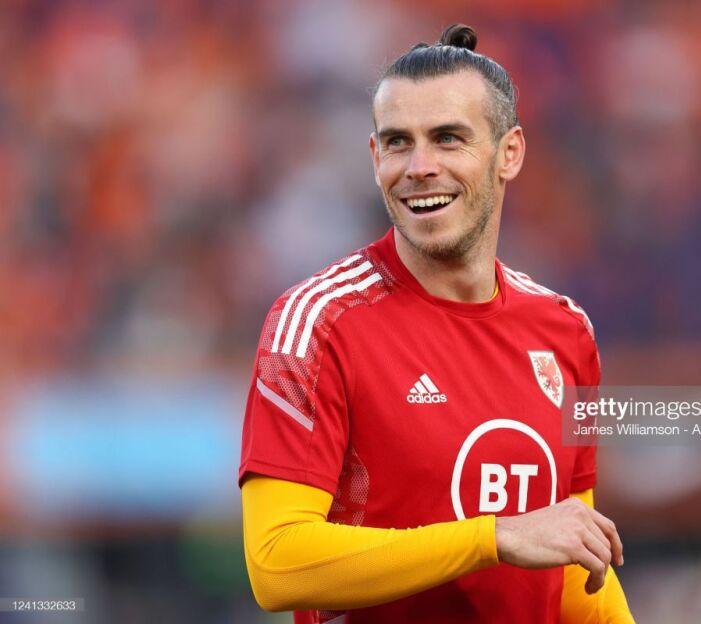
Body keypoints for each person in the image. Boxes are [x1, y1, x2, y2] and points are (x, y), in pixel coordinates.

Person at [239, 23, 636, 623]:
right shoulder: (319, 322)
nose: (419, 166)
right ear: (375, 158)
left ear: (509, 153)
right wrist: (492, 537)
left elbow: (576, 569)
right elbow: (276, 563)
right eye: (398, 143)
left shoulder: (566, 331)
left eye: (448, 139)